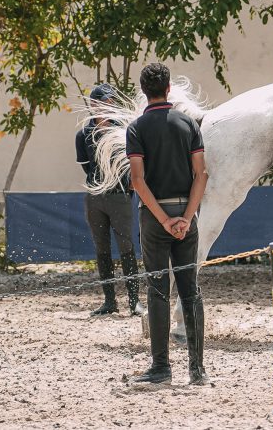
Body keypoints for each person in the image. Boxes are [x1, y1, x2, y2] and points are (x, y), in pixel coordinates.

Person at [126, 63, 209, 386]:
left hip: (155, 218)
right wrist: (186, 218)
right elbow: (200, 175)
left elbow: (137, 180)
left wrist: (163, 219)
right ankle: (197, 369)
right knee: (191, 291)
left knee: (158, 291)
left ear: (144, 91)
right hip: (186, 217)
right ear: (169, 88)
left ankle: (161, 367)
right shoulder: (188, 124)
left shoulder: (136, 128)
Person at [75, 83, 143, 317]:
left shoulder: (123, 131)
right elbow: (87, 167)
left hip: (120, 195)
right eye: (102, 102)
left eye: (110, 102)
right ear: (93, 105)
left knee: (126, 247)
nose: (107, 107)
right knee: (101, 248)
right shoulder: (83, 134)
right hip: (95, 196)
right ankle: (109, 300)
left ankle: (134, 301)